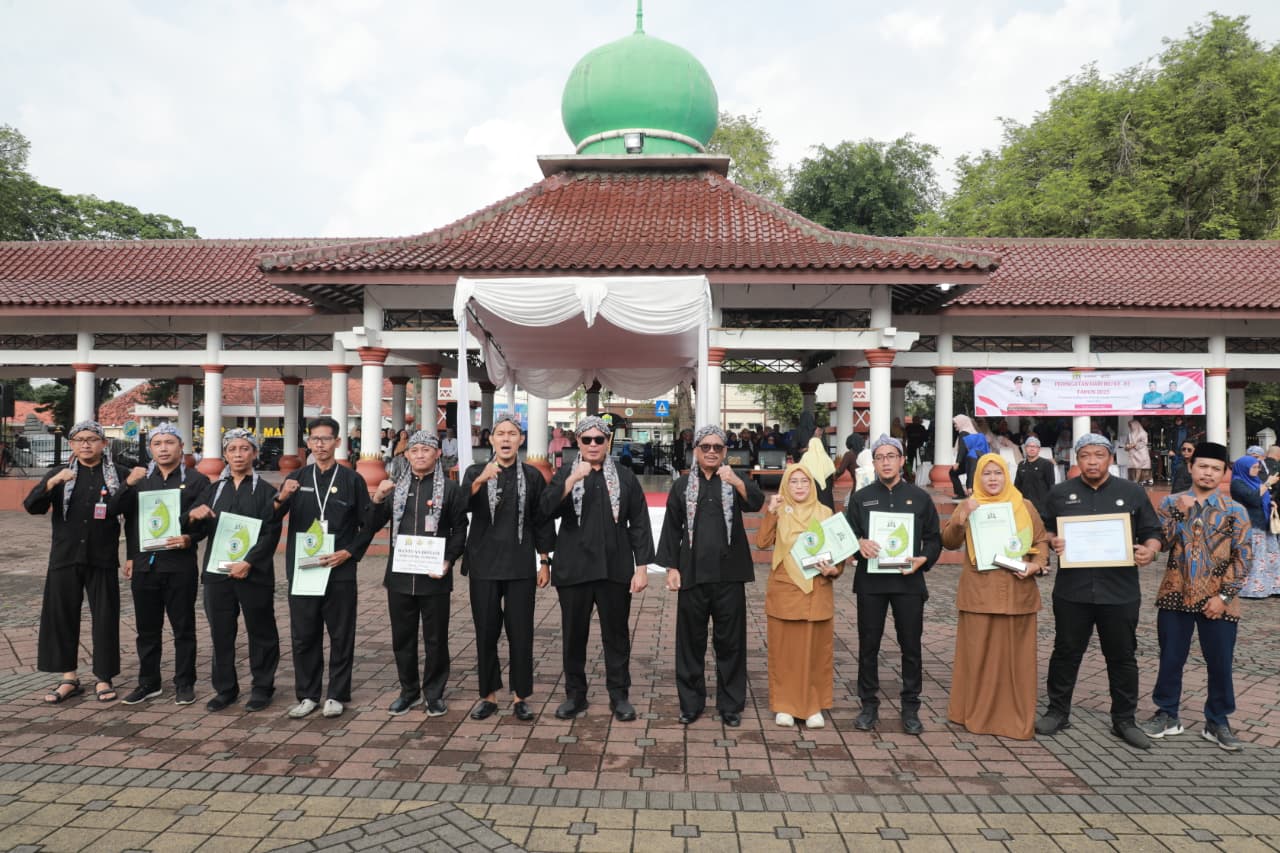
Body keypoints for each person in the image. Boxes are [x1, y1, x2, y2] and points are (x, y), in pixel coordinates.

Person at [1035, 434, 1163, 749]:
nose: (1092, 461)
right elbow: (1044, 529)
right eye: (1085, 455)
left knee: (1122, 656)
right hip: (1072, 591)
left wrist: (1150, 551)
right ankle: (1057, 711)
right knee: (1065, 652)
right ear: (1076, 459)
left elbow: (1152, 532)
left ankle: (1124, 720)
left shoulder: (1132, 492)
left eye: (1099, 455)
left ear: (1110, 458)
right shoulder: (1060, 493)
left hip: (1119, 591)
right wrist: (1052, 540)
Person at [541, 416, 654, 722]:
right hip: (574, 568)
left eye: (599, 439)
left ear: (608, 442)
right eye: (586, 439)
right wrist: (571, 480)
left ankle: (619, 695)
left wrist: (642, 567)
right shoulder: (566, 472)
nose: (593, 445)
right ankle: (575, 695)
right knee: (573, 635)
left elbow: (639, 522)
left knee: (616, 636)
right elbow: (546, 509)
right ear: (577, 442)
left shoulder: (624, 476)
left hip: (614, 568)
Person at [1143, 443, 1251, 751]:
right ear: (1191, 467)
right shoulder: (1171, 502)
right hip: (1175, 592)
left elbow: (1243, 558)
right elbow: (1161, 542)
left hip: (1218, 599)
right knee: (1170, 658)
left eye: (1216, 468)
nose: (1208, 473)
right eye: (1203, 466)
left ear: (1224, 473)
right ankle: (1167, 714)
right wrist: (1180, 513)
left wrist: (1224, 597)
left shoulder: (1235, 510)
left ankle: (1217, 720)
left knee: (1220, 662)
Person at [656, 425, 765, 727]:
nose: (712, 452)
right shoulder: (682, 485)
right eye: (706, 447)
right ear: (696, 451)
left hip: (730, 575)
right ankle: (691, 703)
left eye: (718, 447)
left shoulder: (733, 479)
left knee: (730, 643)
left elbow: (756, 502)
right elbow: (671, 527)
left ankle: (730, 704)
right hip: (692, 575)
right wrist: (671, 568)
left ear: (725, 451)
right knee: (690, 642)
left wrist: (737, 481)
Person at [274, 416, 377, 719]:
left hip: (339, 570)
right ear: (308, 442)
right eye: (315, 439)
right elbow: (271, 518)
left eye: (326, 439)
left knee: (341, 634)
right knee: (304, 635)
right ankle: (308, 694)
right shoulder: (296, 479)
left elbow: (368, 525)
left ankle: (336, 694)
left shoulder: (352, 480)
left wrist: (349, 552)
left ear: (337, 442)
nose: (320, 444)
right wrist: (282, 496)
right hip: (304, 568)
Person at [942, 453, 1050, 739]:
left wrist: (1036, 564)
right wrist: (962, 515)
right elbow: (949, 542)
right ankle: (975, 715)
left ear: (1006, 475)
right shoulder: (970, 505)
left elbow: (1040, 540)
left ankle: (1013, 717)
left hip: (1017, 591)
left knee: (1017, 661)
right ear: (978, 478)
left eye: (998, 473)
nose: (992, 478)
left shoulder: (1024, 506)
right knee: (977, 657)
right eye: (986, 473)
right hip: (979, 592)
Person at [25, 420, 133, 704]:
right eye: (80, 440)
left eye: (92, 439)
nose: (86, 444)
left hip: (102, 557)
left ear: (104, 443)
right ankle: (68, 678)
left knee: (105, 618)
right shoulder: (59, 474)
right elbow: (32, 506)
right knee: (62, 617)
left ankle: (104, 677)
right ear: (71, 444)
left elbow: (133, 514)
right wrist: (51, 483)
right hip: (65, 556)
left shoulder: (120, 474)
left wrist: (132, 555)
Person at [845, 435, 942, 735]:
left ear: (901, 460)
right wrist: (859, 543)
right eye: (879, 457)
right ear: (873, 463)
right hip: (871, 583)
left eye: (891, 456)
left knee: (911, 646)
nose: (885, 462)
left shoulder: (920, 497)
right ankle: (868, 705)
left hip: (908, 582)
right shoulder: (861, 498)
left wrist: (924, 558)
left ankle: (910, 707)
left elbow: (934, 538)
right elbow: (847, 535)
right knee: (868, 646)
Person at [462, 416, 555, 722]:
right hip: (483, 565)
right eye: (500, 434)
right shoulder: (475, 472)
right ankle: (488, 696)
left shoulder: (531, 475)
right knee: (486, 632)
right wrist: (480, 481)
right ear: (491, 440)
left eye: (511, 434)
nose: (505, 439)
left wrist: (544, 561)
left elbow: (541, 520)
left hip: (519, 566)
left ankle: (520, 696)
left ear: (520, 440)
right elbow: (459, 507)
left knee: (521, 633)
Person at [371, 431, 468, 716]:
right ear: (407, 455)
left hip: (434, 577)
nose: (421, 454)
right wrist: (377, 498)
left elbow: (459, 529)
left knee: (436, 639)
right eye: (415, 450)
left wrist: (449, 560)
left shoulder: (450, 489)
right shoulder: (395, 487)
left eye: (427, 449)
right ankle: (409, 691)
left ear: (437, 454)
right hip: (400, 576)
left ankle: (434, 693)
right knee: (403, 638)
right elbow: (373, 524)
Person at [120, 423, 214, 706]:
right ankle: (148, 683)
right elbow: (129, 520)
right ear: (150, 448)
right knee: (147, 629)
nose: (163, 448)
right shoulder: (141, 480)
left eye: (169, 442)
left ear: (181, 446)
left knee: (183, 627)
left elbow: (206, 523)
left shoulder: (197, 481)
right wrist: (130, 555)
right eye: (157, 443)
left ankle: (184, 683)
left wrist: (189, 537)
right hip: (145, 565)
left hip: (179, 565)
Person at [201, 429, 282, 712]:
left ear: (254, 453)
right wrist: (191, 518)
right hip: (217, 573)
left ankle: (262, 687)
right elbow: (197, 527)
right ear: (225, 454)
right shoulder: (213, 491)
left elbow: (271, 531)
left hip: (254, 572)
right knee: (221, 633)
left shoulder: (266, 491)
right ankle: (225, 689)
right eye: (232, 449)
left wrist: (249, 562)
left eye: (244, 448)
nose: (238, 454)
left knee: (261, 631)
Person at [756, 464, 842, 728]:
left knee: (816, 651)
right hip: (786, 589)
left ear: (812, 484)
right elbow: (761, 542)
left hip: (817, 589)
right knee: (785, 651)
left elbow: (838, 553)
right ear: (785, 485)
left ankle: (813, 706)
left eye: (805, 480)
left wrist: (834, 570)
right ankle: (784, 705)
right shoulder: (779, 510)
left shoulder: (825, 512)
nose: (800, 486)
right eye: (793, 481)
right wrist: (770, 512)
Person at [1233, 454, 1280, 599]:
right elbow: (1252, 498)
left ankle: (1273, 586)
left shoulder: (1255, 480)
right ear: (1244, 468)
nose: (1257, 469)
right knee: (1256, 557)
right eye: (1253, 467)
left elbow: (1262, 497)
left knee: (1271, 555)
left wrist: (1271, 503)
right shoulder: (1237, 482)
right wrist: (1268, 483)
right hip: (1250, 524)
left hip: (1264, 523)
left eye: (1257, 467)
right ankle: (1253, 589)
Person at [1014, 436, 1056, 519]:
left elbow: (1051, 485)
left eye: (1035, 446)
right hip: (1025, 506)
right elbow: (1017, 486)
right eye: (1029, 446)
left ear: (1039, 449)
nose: (1032, 449)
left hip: (1042, 508)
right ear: (1025, 448)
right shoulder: (1021, 465)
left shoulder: (1046, 464)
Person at [951, 415, 989, 500]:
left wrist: (958, 462)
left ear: (961, 423)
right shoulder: (974, 432)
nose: (955, 426)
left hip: (970, 459)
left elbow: (962, 448)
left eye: (956, 424)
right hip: (978, 458)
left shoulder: (963, 433)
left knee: (953, 472)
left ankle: (962, 493)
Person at [799, 431, 836, 511]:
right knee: (827, 511)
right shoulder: (827, 458)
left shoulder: (806, 457)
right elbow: (832, 474)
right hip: (826, 493)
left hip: (811, 490)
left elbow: (800, 470)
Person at [1124, 419, 1152, 485]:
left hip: (1141, 453)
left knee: (1140, 467)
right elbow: (1127, 443)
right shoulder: (1130, 434)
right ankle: (1134, 480)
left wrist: (1135, 445)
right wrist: (1127, 446)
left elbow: (1144, 442)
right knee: (1133, 467)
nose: (1130, 427)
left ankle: (1138, 480)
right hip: (1133, 453)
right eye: (1129, 426)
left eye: (1131, 425)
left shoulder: (1143, 433)